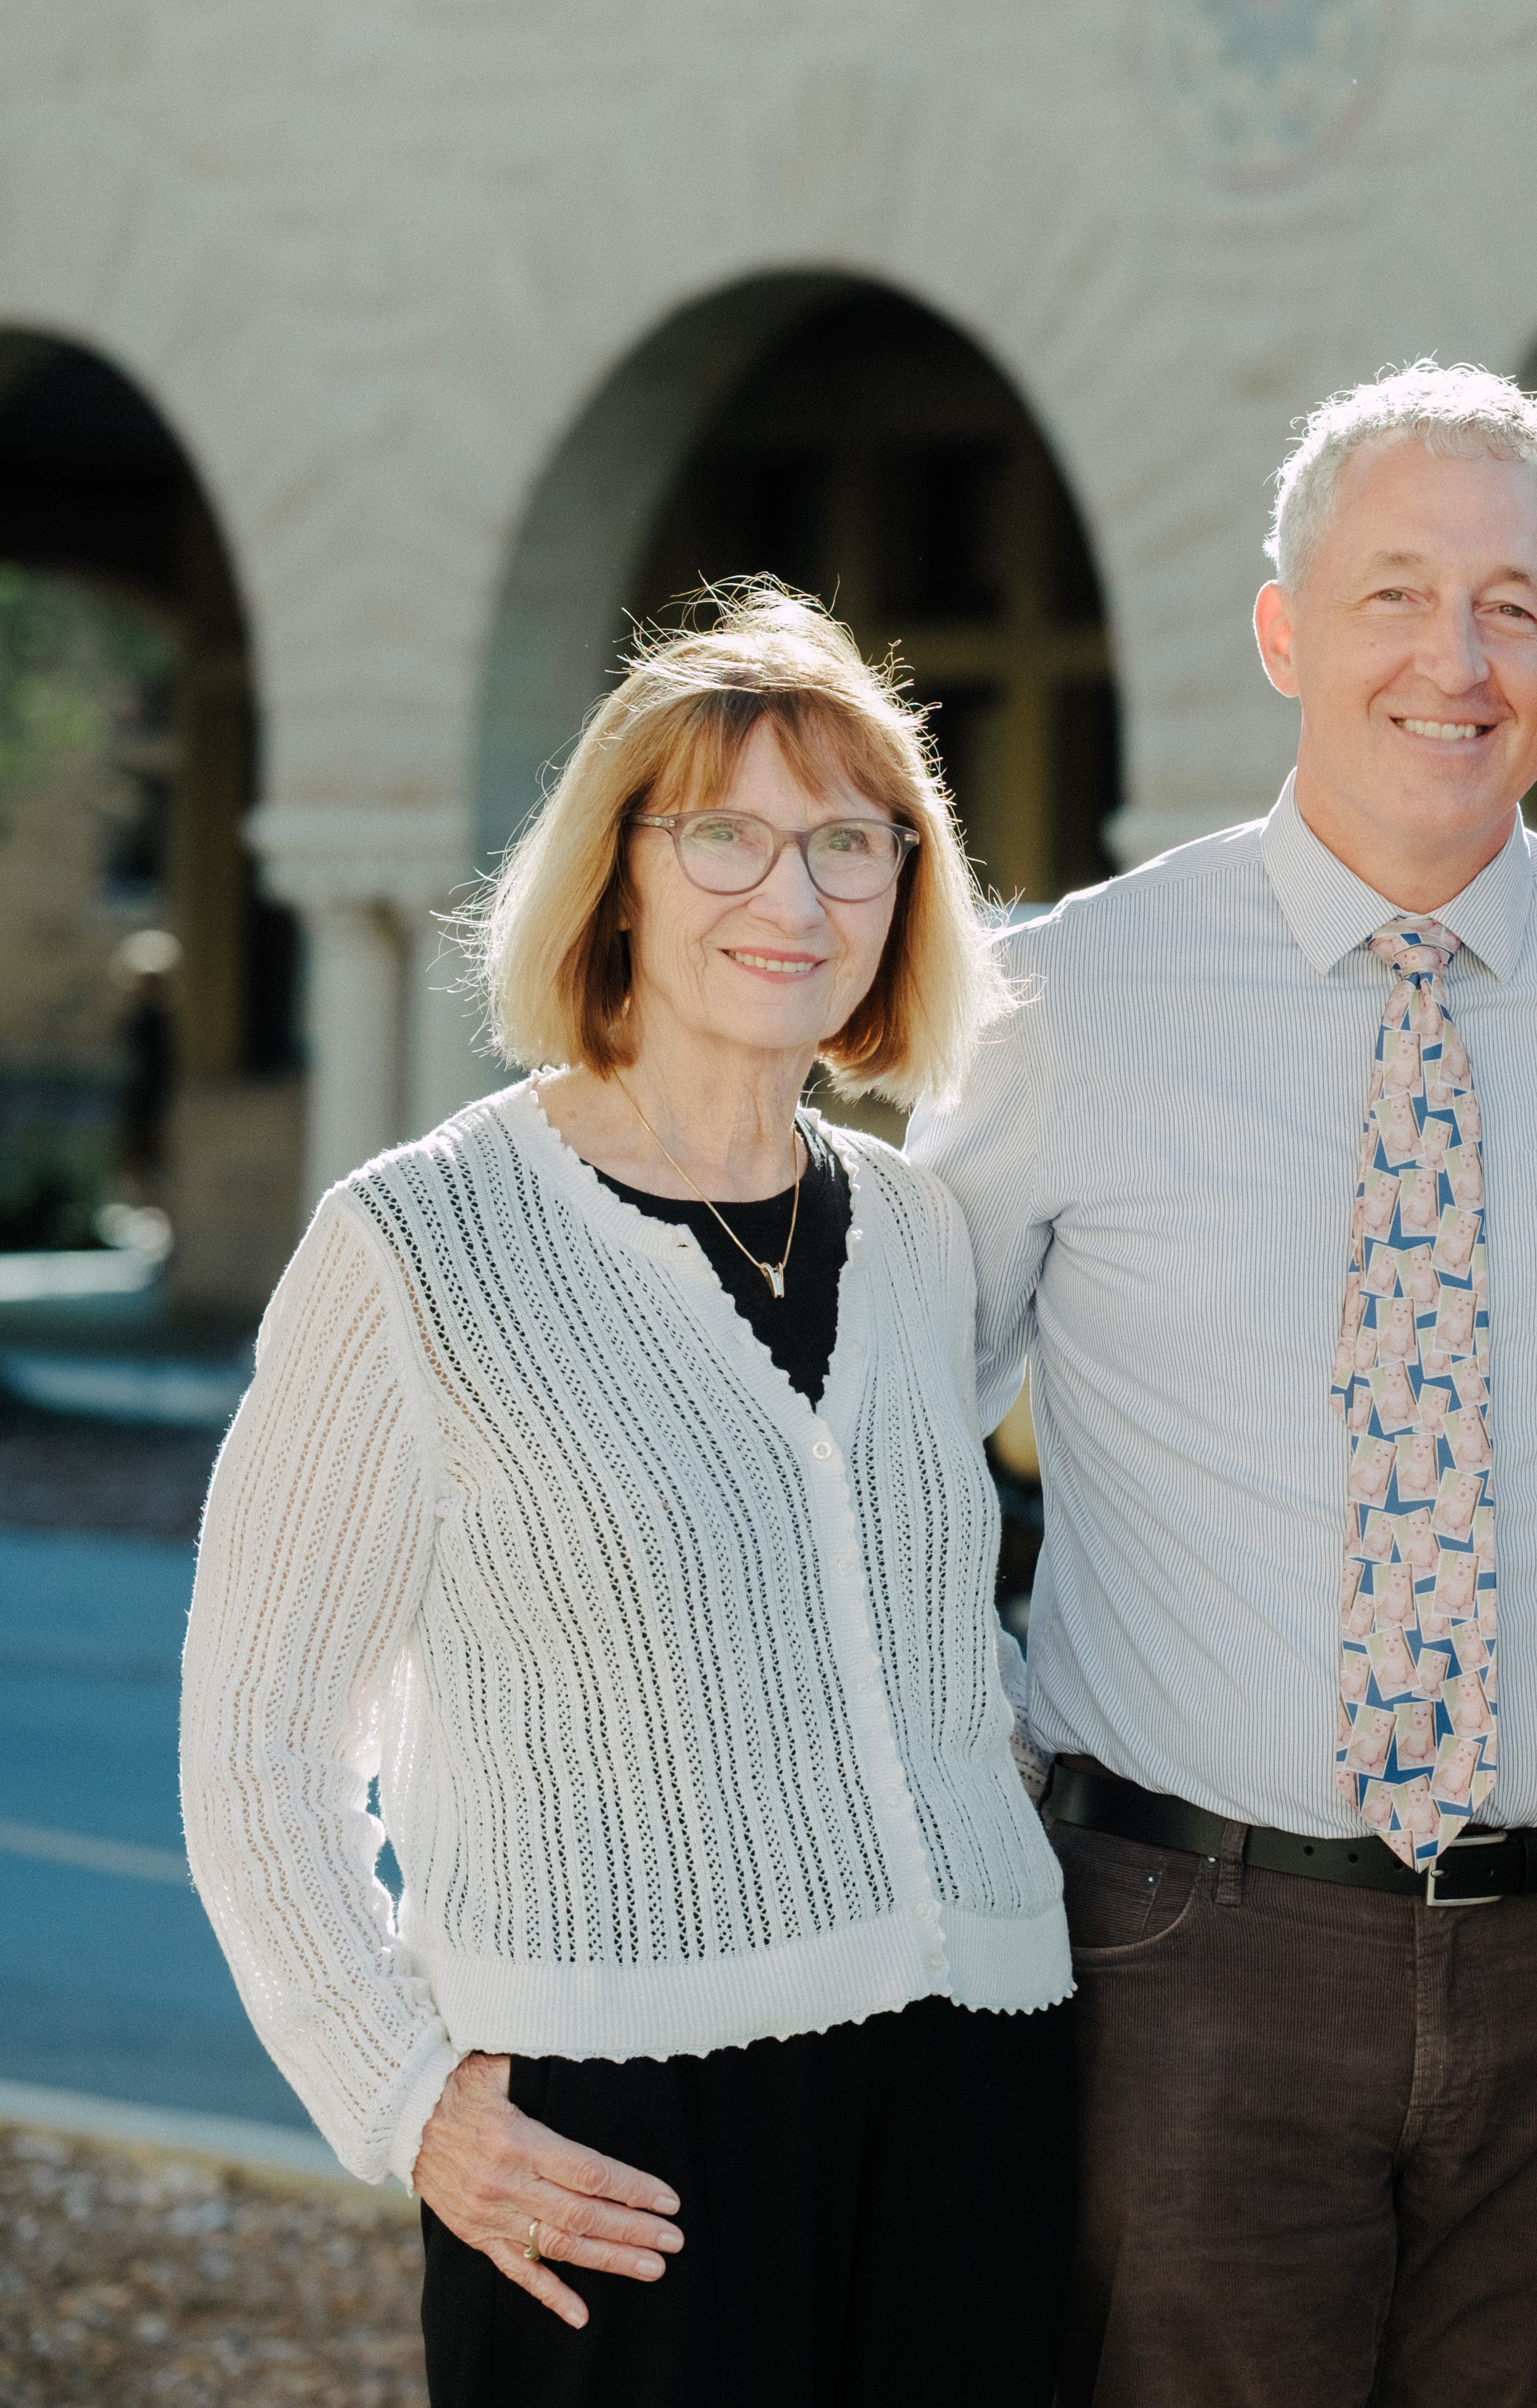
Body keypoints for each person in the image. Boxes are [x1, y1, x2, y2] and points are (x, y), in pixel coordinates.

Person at [908, 364, 1537, 2408]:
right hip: (1186, 1951)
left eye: (1511, 608)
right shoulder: (1062, 1008)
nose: (1451, 661)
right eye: (1392, 595)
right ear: (1285, 631)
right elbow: (874, 1444)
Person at [179, 584, 1071, 2405]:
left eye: (849, 842)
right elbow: (258, 1737)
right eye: (726, 838)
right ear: (620, 877)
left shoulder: (913, 1234)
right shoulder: (419, 1245)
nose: (795, 895)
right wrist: (407, 2098)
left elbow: (924, 1642)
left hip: (975, 2086)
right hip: (621, 2146)